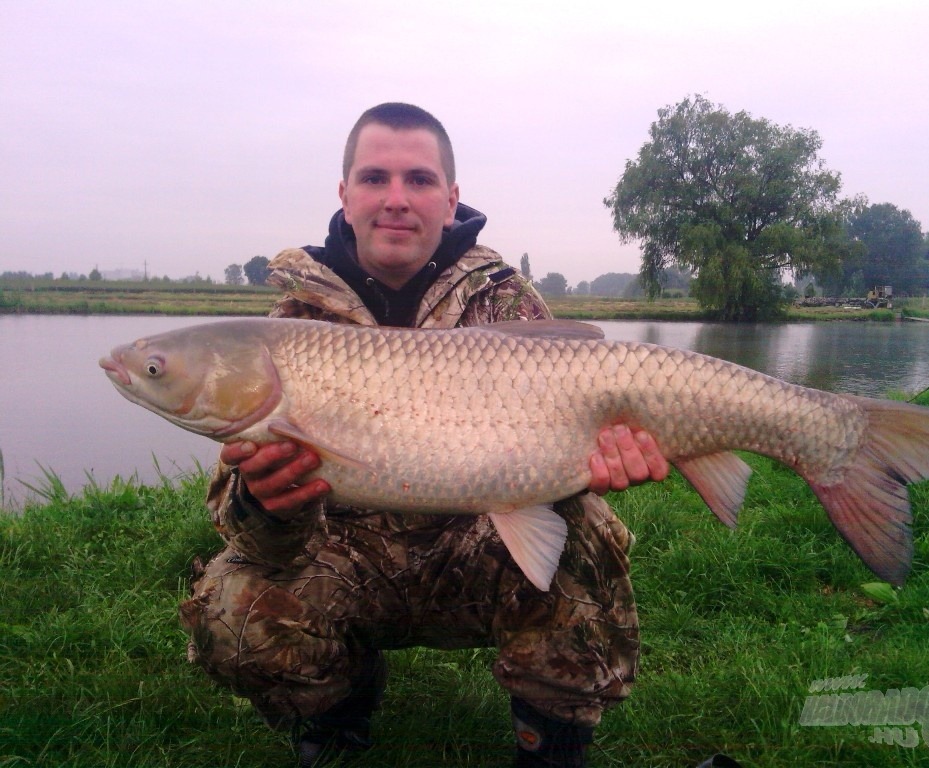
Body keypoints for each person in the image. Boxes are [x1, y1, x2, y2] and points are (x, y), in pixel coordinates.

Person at [179, 102, 669, 768]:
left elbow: (565, 457)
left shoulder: (504, 299)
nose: (396, 200)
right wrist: (265, 503)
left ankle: (548, 739)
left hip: (479, 550)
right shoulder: (291, 325)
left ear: (451, 198)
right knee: (234, 609)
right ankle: (338, 711)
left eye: (419, 180)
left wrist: (609, 457)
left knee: (586, 533)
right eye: (375, 178)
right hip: (346, 562)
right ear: (345, 195)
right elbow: (246, 533)